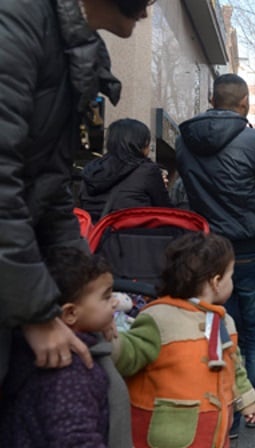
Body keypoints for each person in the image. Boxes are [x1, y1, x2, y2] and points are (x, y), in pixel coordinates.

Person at [0, 0, 153, 386]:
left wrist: (91, 298)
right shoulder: (17, 20)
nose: (147, 13)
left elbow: (51, 196)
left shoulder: (72, 48)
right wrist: (35, 312)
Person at [176, 73, 255, 430]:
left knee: (218, 329)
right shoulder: (254, 141)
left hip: (209, 249)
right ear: (244, 103)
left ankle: (225, 412)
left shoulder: (185, 142)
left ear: (212, 100)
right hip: (250, 250)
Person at [112, 232, 255, 445]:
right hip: (167, 437)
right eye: (231, 275)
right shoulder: (159, 318)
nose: (232, 281)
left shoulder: (224, 321)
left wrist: (247, 401)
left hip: (213, 434)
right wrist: (110, 337)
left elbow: (234, 366)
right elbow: (129, 355)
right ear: (217, 281)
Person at [0, 247, 130, 447]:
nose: (114, 303)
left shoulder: (29, 353)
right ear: (70, 313)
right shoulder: (68, 372)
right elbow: (76, 439)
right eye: (106, 297)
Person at [79, 118, 172, 221]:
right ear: (140, 144)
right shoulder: (148, 171)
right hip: (134, 234)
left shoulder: (91, 169)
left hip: (93, 234)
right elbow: (166, 212)